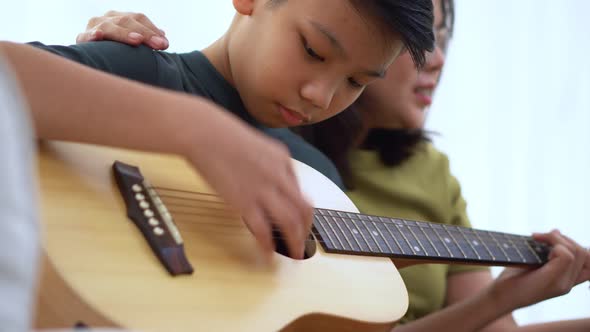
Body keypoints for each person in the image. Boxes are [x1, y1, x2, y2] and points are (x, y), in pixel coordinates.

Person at [0, 0, 435, 261]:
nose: (322, 96)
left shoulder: (316, 178)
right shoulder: (141, 71)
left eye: (356, 82)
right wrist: (196, 126)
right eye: (312, 50)